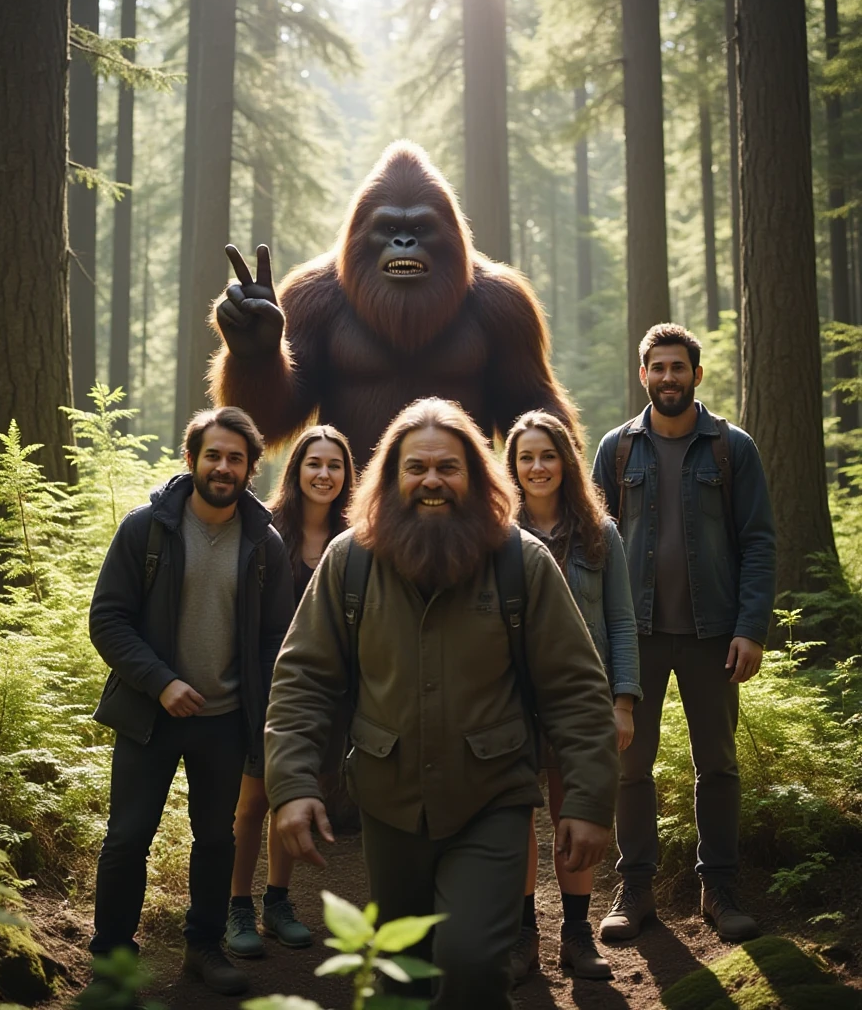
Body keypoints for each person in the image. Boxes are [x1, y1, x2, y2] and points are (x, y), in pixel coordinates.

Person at [264, 397, 619, 1010]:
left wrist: (587, 801)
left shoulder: (521, 562)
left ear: (476, 478)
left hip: (493, 796)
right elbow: (302, 677)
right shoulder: (350, 561)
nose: (432, 480)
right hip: (388, 798)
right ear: (391, 477)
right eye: (416, 468)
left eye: (449, 468)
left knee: (473, 960)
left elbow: (576, 688)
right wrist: (292, 786)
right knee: (403, 967)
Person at [88, 407, 294, 996]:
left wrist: (267, 718)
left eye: (235, 458)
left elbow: (277, 641)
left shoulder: (264, 545)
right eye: (213, 455)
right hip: (149, 714)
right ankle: (113, 961)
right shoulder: (146, 528)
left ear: (251, 468)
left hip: (225, 722)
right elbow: (107, 619)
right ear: (192, 460)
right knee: (128, 837)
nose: (223, 467)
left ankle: (203, 948)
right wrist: (161, 682)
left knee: (215, 841)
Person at [592, 324, 776, 943]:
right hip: (633, 636)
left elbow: (758, 542)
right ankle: (636, 887)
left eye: (679, 367)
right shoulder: (617, 449)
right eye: (657, 368)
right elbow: (593, 548)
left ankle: (718, 888)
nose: (668, 377)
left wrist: (750, 628)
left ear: (697, 375)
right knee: (629, 767)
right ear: (642, 375)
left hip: (712, 634)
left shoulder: (733, 448)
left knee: (718, 766)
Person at [504, 411, 641, 981]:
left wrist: (623, 702)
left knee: (574, 814)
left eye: (548, 455)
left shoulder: (598, 532)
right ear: (511, 466)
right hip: (508, 700)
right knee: (514, 820)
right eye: (526, 458)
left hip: (581, 701)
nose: (538, 467)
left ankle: (577, 936)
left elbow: (622, 623)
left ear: (566, 461)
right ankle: (521, 937)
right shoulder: (496, 533)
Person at [226, 425, 355, 959]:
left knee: (296, 795)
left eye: (335, 466)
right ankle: (237, 907)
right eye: (314, 464)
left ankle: (278, 902)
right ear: (297, 470)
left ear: (347, 476)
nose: (324, 475)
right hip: (267, 690)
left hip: (331, 697)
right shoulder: (265, 532)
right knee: (253, 800)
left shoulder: (357, 540)